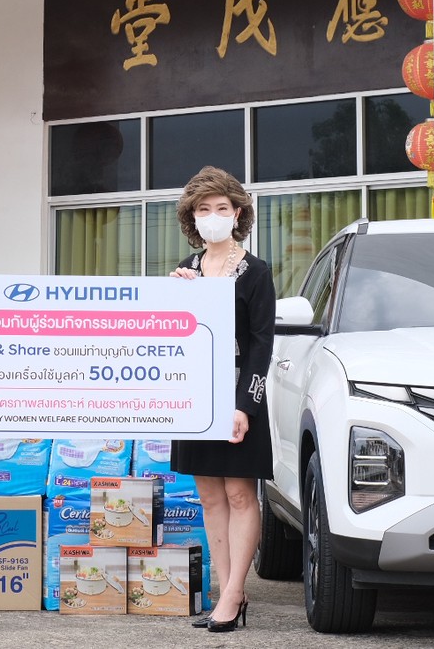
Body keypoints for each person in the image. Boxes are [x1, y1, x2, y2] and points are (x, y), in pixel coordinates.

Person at [168, 166, 274, 634]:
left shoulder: (256, 272)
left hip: (237, 397)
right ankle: (225, 590)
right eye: (204, 208)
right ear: (192, 217)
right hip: (195, 397)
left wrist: (245, 406)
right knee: (210, 496)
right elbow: (172, 335)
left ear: (238, 213)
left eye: (222, 207)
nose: (213, 215)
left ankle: (234, 593)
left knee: (238, 493)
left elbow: (261, 344)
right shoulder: (185, 271)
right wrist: (172, 296)